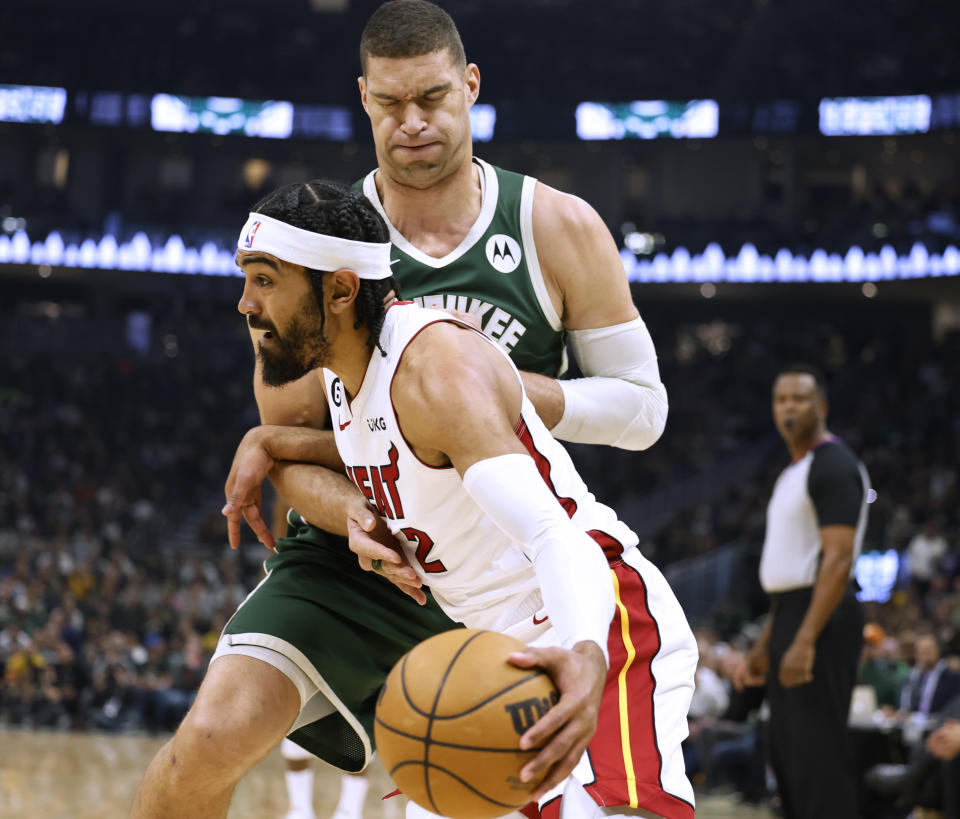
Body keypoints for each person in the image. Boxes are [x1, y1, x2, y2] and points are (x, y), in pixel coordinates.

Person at [132, 2, 670, 816]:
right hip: (356, 552)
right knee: (206, 741)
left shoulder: (552, 227)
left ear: (471, 86)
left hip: (492, 554)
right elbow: (300, 445)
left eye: (432, 98)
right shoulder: (310, 247)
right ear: (363, 99)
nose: (411, 122)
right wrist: (345, 505)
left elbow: (641, 410)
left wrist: (486, 386)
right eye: (389, 104)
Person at [229, 179, 698, 818]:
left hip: (590, 624)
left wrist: (587, 656)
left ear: (339, 291)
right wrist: (271, 440)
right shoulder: (350, 371)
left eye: (264, 280)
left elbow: (554, 536)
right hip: (483, 648)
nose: (245, 304)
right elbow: (392, 445)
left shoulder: (433, 369)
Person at [732, 364, 871, 819]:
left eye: (799, 398)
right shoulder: (795, 470)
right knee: (788, 754)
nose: (789, 407)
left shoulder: (833, 463)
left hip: (823, 615)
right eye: (781, 399)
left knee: (818, 755)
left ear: (821, 407)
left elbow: (836, 561)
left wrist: (805, 639)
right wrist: (767, 645)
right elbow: (791, 575)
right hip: (794, 611)